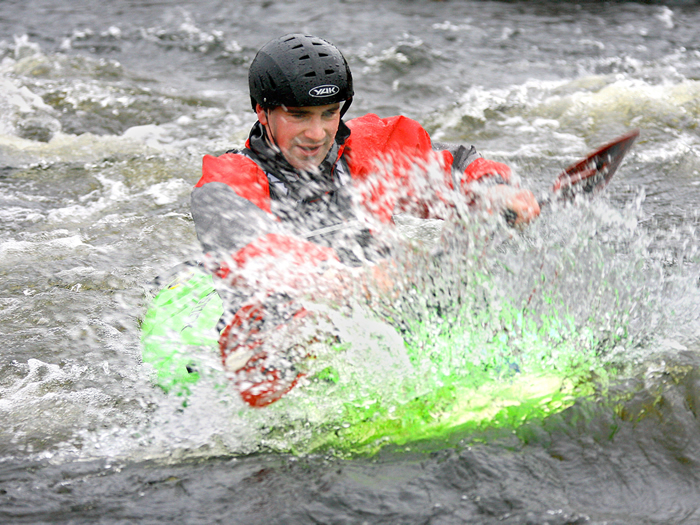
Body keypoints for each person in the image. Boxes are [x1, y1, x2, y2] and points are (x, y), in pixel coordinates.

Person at [190, 33, 540, 407]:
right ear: (263, 112)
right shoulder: (227, 180)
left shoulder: (370, 145)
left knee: (455, 273)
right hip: (281, 311)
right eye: (298, 115)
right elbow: (255, 253)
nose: (317, 133)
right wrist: (350, 282)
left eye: (329, 113)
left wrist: (496, 190)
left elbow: (456, 164)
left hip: (371, 295)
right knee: (305, 325)